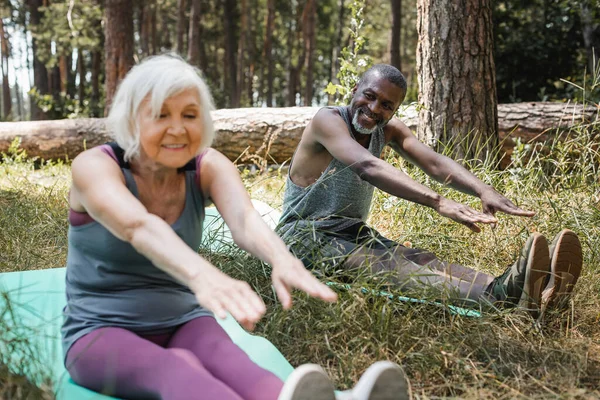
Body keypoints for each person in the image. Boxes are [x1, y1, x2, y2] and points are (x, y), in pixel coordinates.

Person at [62, 54, 410, 400]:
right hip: (99, 330)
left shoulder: (206, 166)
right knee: (178, 373)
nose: (178, 128)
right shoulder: (95, 167)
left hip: (183, 320)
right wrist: (202, 275)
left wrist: (282, 258)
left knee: (247, 374)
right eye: (160, 115)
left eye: (190, 115)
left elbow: (244, 219)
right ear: (132, 119)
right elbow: (137, 226)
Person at [277, 63, 583, 315]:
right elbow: (366, 166)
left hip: (351, 231)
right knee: (387, 266)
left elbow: (434, 163)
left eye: (386, 105)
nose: (373, 108)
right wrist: (438, 201)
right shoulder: (328, 120)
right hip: (303, 237)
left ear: (394, 110)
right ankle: (499, 298)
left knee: (423, 259)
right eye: (369, 96)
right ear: (354, 89)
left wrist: (482, 189)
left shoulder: (389, 130)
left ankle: (531, 291)